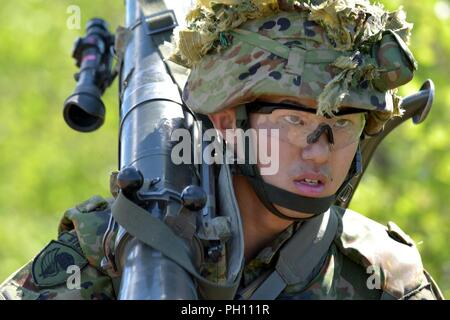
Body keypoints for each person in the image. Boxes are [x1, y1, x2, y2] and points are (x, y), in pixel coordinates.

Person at [0, 0, 444, 300]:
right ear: (229, 123)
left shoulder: (383, 278)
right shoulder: (113, 253)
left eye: (342, 124)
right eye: (295, 122)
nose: (319, 153)